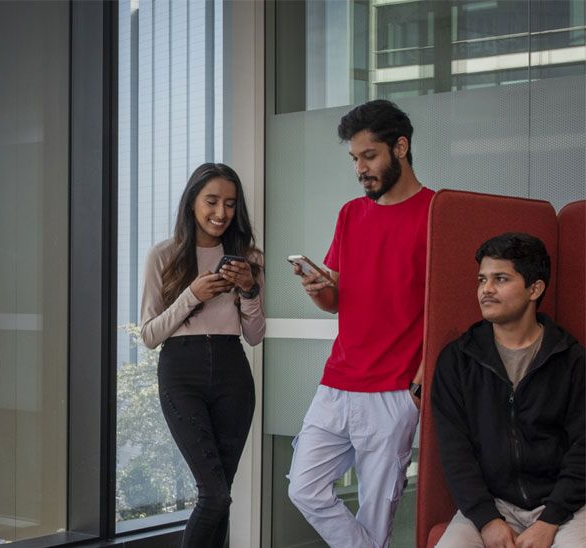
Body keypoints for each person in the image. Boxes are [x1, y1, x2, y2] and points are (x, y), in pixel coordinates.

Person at [287, 99, 436, 547]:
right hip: (338, 382)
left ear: (401, 147)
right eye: (355, 159)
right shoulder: (351, 214)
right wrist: (319, 290)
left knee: (377, 512)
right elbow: (337, 300)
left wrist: (419, 382)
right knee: (303, 487)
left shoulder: (437, 214)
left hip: (393, 392)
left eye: (369, 156)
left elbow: (446, 309)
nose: (360, 168)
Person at [140, 162, 264, 547]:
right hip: (182, 373)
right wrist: (193, 295)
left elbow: (256, 335)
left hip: (233, 373)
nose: (221, 213)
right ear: (192, 202)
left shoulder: (248, 257)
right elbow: (149, 334)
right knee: (214, 494)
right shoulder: (164, 256)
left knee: (221, 495)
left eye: (230, 203)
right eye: (211, 201)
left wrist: (249, 290)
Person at [433, 233, 584, 548]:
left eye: (500, 278)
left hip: (564, 506)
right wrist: (487, 520)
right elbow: (455, 452)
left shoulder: (573, 360)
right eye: (482, 279)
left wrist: (549, 521)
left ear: (535, 288)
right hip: (491, 504)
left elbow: (584, 449)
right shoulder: (457, 360)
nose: (486, 289)